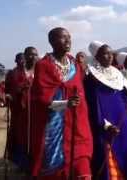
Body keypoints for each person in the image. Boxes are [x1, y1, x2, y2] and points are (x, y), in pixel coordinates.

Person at [30, 27, 93, 179]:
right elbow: (41, 100)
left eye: (69, 37)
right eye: (63, 38)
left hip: (77, 128)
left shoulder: (74, 65)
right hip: (54, 130)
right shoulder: (43, 66)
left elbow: (81, 96)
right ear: (52, 41)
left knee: (83, 171)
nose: (68, 41)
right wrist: (66, 103)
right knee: (56, 172)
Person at [84, 41, 127, 180]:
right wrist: (105, 125)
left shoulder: (117, 73)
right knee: (109, 157)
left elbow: (122, 98)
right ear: (97, 56)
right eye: (105, 54)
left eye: (110, 53)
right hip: (105, 124)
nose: (109, 56)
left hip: (122, 120)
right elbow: (92, 105)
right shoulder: (91, 78)